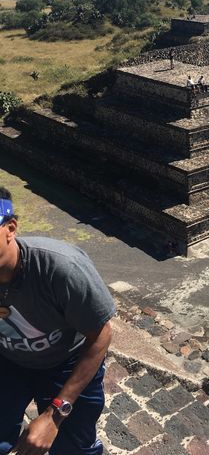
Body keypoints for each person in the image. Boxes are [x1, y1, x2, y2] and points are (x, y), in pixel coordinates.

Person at [0, 186, 114, 455]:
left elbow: (101, 334)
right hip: (8, 360)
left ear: (11, 228)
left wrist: (54, 415)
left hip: (66, 363)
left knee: (73, 449)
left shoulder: (62, 268)